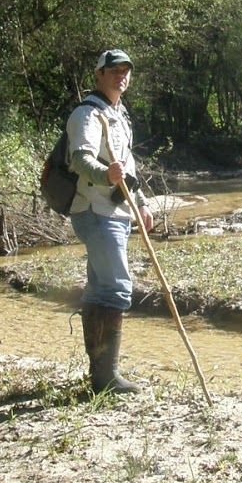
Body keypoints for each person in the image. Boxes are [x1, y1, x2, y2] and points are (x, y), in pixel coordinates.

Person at [66, 48, 154, 394]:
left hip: (116, 212)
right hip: (94, 211)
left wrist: (142, 203)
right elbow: (80, 160)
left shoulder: (119, 114)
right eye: (114, 70)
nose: (121, 75)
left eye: (126, 70)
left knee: (101, 288)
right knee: (117, 288)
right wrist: (106, 175)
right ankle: (105, 378)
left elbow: (127, 165)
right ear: (99, 74)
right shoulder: (87, 114)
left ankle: (100, 374)